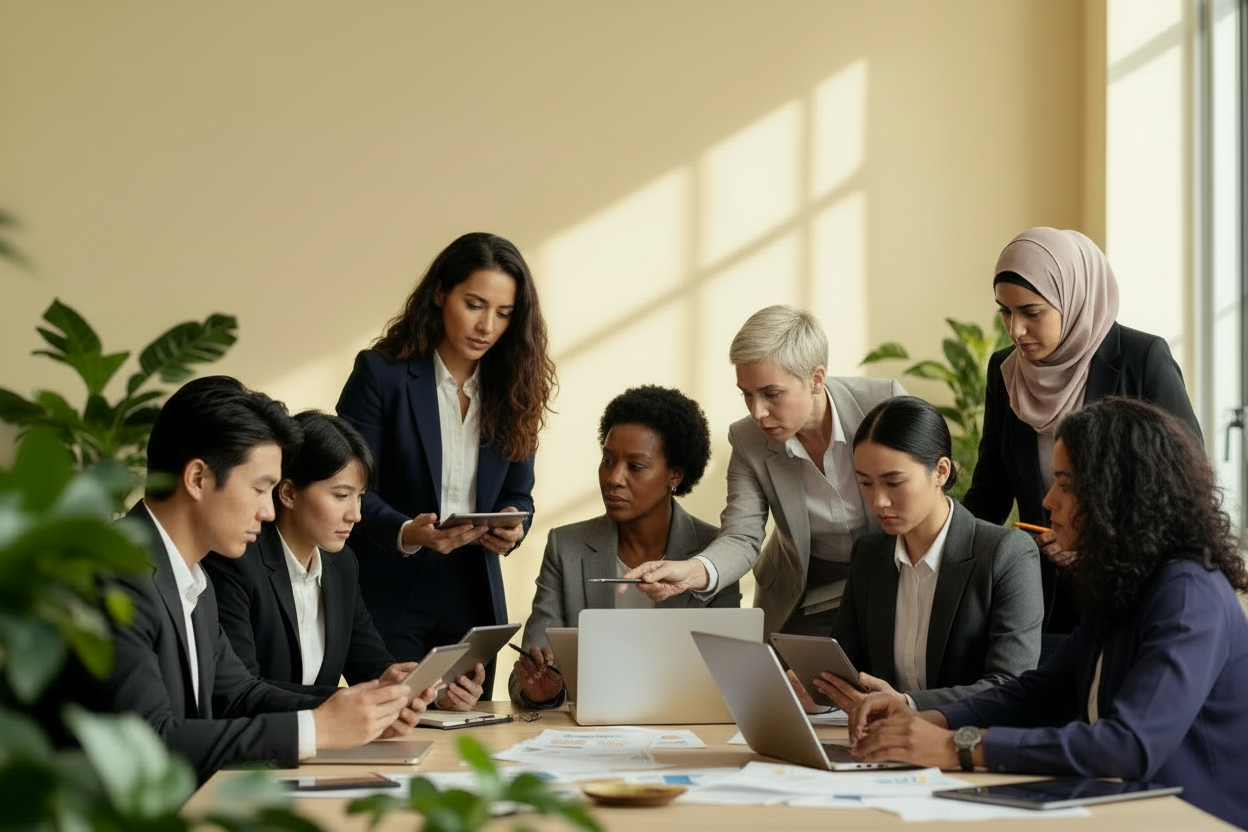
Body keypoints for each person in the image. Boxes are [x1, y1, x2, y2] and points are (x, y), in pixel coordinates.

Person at [848, 397, 1248, 829]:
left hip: (1192, 817)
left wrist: (955, 745)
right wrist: (929, 718)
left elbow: (1128, 745)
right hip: (1120, 805)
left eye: (1066, 484)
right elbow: (1038, 691)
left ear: (1119, 495)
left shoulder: (1187, 596)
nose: (1047, 499)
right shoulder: (1124, 582)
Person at [82, 377, 416, 783]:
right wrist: (318, 729)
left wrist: (359, 705)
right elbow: (149, 741)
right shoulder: (116, 573)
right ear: (198, 479)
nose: (269, 511)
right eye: (261, 489)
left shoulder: (193, 578)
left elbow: (239, 693)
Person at [336, 232, 556, 691]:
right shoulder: (381, 375)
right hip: (391, 593)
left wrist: (515, 523)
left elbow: (519, 493)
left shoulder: (516, 389)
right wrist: (406, 531)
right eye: (474, 304)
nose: (487, 326)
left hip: (472, 596)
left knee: (463, 728)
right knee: (393, 728)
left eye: (503, 313)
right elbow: (349, 489)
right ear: (440, 293)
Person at [962, 227, 1201, 634]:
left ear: (1074, 300)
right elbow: (991, 489)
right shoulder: (1006, 371)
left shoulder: (1141, 359)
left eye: (1031, 312)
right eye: (1005, 311)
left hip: (1133, 590)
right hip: (1044, 599)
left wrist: (1103, 545)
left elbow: (1186, 486)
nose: (1014, 329)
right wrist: (935, 534)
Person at [624, 305, 905, 636]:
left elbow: (923, 503)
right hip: (804, 593)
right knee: (786, 685)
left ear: (816, 380)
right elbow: (742, 535)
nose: (757, 412)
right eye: (747, 394)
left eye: (772, 394)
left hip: (892, 577)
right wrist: (694, 570)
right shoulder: (748, 440)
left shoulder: (884, 404)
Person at [204, 410, 483, 711]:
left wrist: (430, 693)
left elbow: (373, 667)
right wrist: (346, 703)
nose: (356, 514)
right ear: (288, 493)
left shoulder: (341, 565)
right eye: (341, 495)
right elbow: (239, 692)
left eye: (360, 496)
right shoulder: (237, 561)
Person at [790, 396, 1042, 713]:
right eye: (865, 483)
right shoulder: (869, 552)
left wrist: (908, 704)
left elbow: (1010, 685)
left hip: (965, 744)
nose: (878, 501)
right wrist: (811, 685)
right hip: (881, 741)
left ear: (940, 471)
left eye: (893, 483)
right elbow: (848, 664)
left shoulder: (1006, 554)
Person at [509, 386, 741, 709]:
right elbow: (528, 669)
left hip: (684, 733)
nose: (613, 478)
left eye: (635, 466)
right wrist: (543, 691)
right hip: (588, 739)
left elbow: (733, 676)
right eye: (607, 460)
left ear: (674, 475)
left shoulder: (715, 555)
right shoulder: (566, 547)